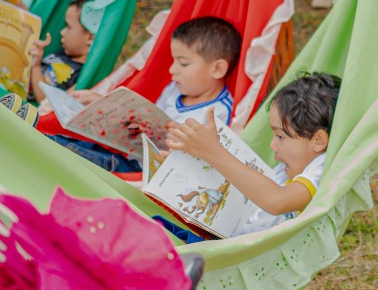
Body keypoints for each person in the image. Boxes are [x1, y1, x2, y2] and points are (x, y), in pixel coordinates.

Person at [162, 72, 339, 241]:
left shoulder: (320, 170)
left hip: (234, 252)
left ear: (318, 141)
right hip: (220, 233)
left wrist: (212, 151)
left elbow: (277, 200)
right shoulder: (291, 168)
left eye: (280, 136)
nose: (273, 145)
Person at [54, 15, 241, 173]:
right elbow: (147, 122)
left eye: (183, 63)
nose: (172, 69)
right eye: (174, 60)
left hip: (144, 175)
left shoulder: (217, 114)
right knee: (60, 140)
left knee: (64, 151)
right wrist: (106, 106)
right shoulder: (174, 89)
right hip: (128, 157)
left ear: (217, 69)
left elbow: (206, 165)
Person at [29, 0, 93, 101]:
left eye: (68, 26)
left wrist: (36, 66)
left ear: (89, 37)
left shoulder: (80, 75)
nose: (62, 32)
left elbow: (45, 102)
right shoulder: (62, 54)